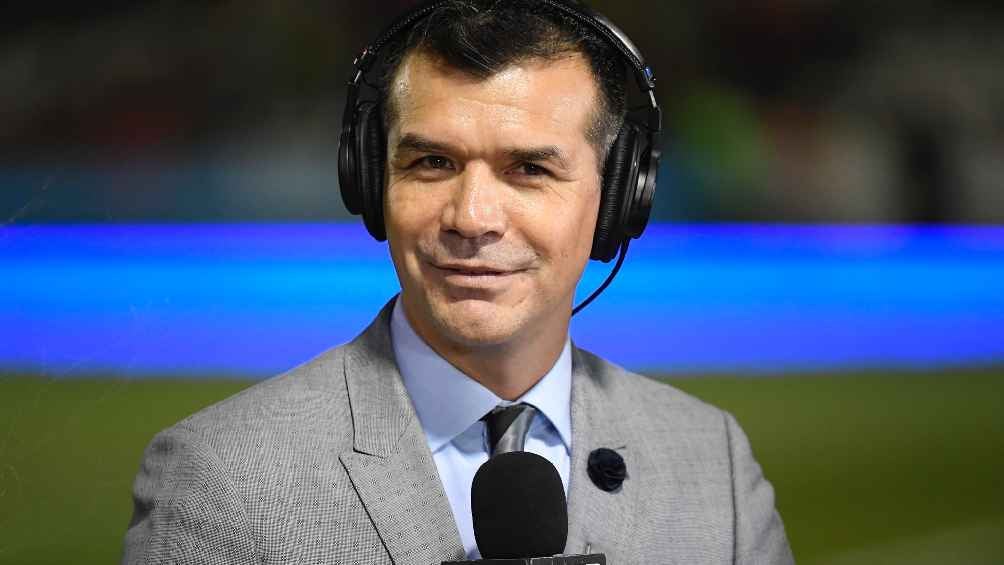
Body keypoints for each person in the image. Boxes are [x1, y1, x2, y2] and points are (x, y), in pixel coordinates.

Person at [123, 1, 793, 563]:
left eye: (529, 169)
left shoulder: (715, 463)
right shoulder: (219, 476)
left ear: (619, 198)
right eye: (433, 162)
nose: (471, 217)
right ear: (370, 180)